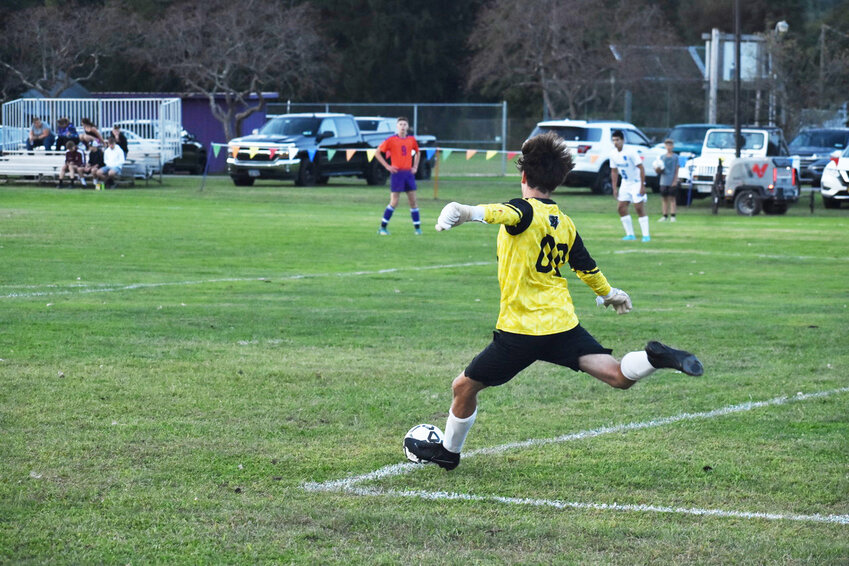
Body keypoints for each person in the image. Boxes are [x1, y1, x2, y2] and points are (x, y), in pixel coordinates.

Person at [404, 131, 703, 471]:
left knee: (463, 386)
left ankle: (449, 453)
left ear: (524, 177)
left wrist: (465, 210)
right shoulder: (565, 223)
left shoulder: (523, 211)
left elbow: (502, 213)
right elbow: (586, 268)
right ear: (556, 182)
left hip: (520, 331)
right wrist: (609, 294)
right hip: (562, 325)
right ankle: (653, 358)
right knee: (618, 376)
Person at [374, 117, 422, 235]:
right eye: (400, 124)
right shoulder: (391, 140)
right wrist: (387, 166)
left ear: (407, 126)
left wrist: (415, 166)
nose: (403, 126)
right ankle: (383, 228)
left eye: (405, 124)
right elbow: (377, 152)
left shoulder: (411, 139)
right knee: (394, 201)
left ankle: (417, 229)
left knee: (413, 201)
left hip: (408, 174)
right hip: (397, 174)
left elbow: (417, 152)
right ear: (397, 126)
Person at [609, 130, 650, 242]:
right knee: (621, 208)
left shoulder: (631, 152)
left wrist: (642, 185)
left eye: (617, 140)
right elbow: (614, 171)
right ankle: (630, 234)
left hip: (636, 182)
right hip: (625, 183)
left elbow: (641, 168)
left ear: (623, 140)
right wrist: (614, 187)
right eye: (613, 140)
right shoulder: (613, 154)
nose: (615, 142)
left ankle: (646, 235)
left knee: (638, 207)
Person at [657, 139, 680, 222]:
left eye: (670, 145)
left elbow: (677, 169)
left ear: (673, 146)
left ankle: (673, 216)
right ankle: (664, 215)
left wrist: (675, 180)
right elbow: (659, 169)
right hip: (664, 180)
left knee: (672, 198)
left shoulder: (675, 157)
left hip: (671, 179)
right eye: (667, 145)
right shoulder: (662, 157)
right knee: (664, 199)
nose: (669, 147)